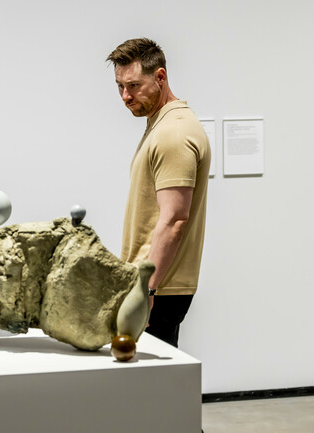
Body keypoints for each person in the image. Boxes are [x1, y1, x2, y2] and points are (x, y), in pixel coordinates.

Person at [107, 38, 210, 348]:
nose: (126, 96)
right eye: (120, 86)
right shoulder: (162, 125)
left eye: (134, 85)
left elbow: (176, 218)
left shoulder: (173, 134)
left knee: (146, 388)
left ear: (160, 77)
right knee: (149, 388)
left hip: (159, 289)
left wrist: (146, 290)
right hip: (155, 284)